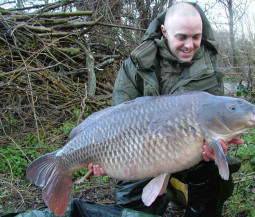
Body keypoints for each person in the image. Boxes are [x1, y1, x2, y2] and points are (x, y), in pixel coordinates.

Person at [90, 2, 243, 217]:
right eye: (182, 37)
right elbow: (117, 118)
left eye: (196, 37)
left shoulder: (209, 72)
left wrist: (216, 146)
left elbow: (215, 122)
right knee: (132, 209)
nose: (189, 45)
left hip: (187, 154)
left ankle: (182, 194)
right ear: (164, 31)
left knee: (215, 171)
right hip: (142, 154)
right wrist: (106, 158)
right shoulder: (136, 64)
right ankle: (170, 190)